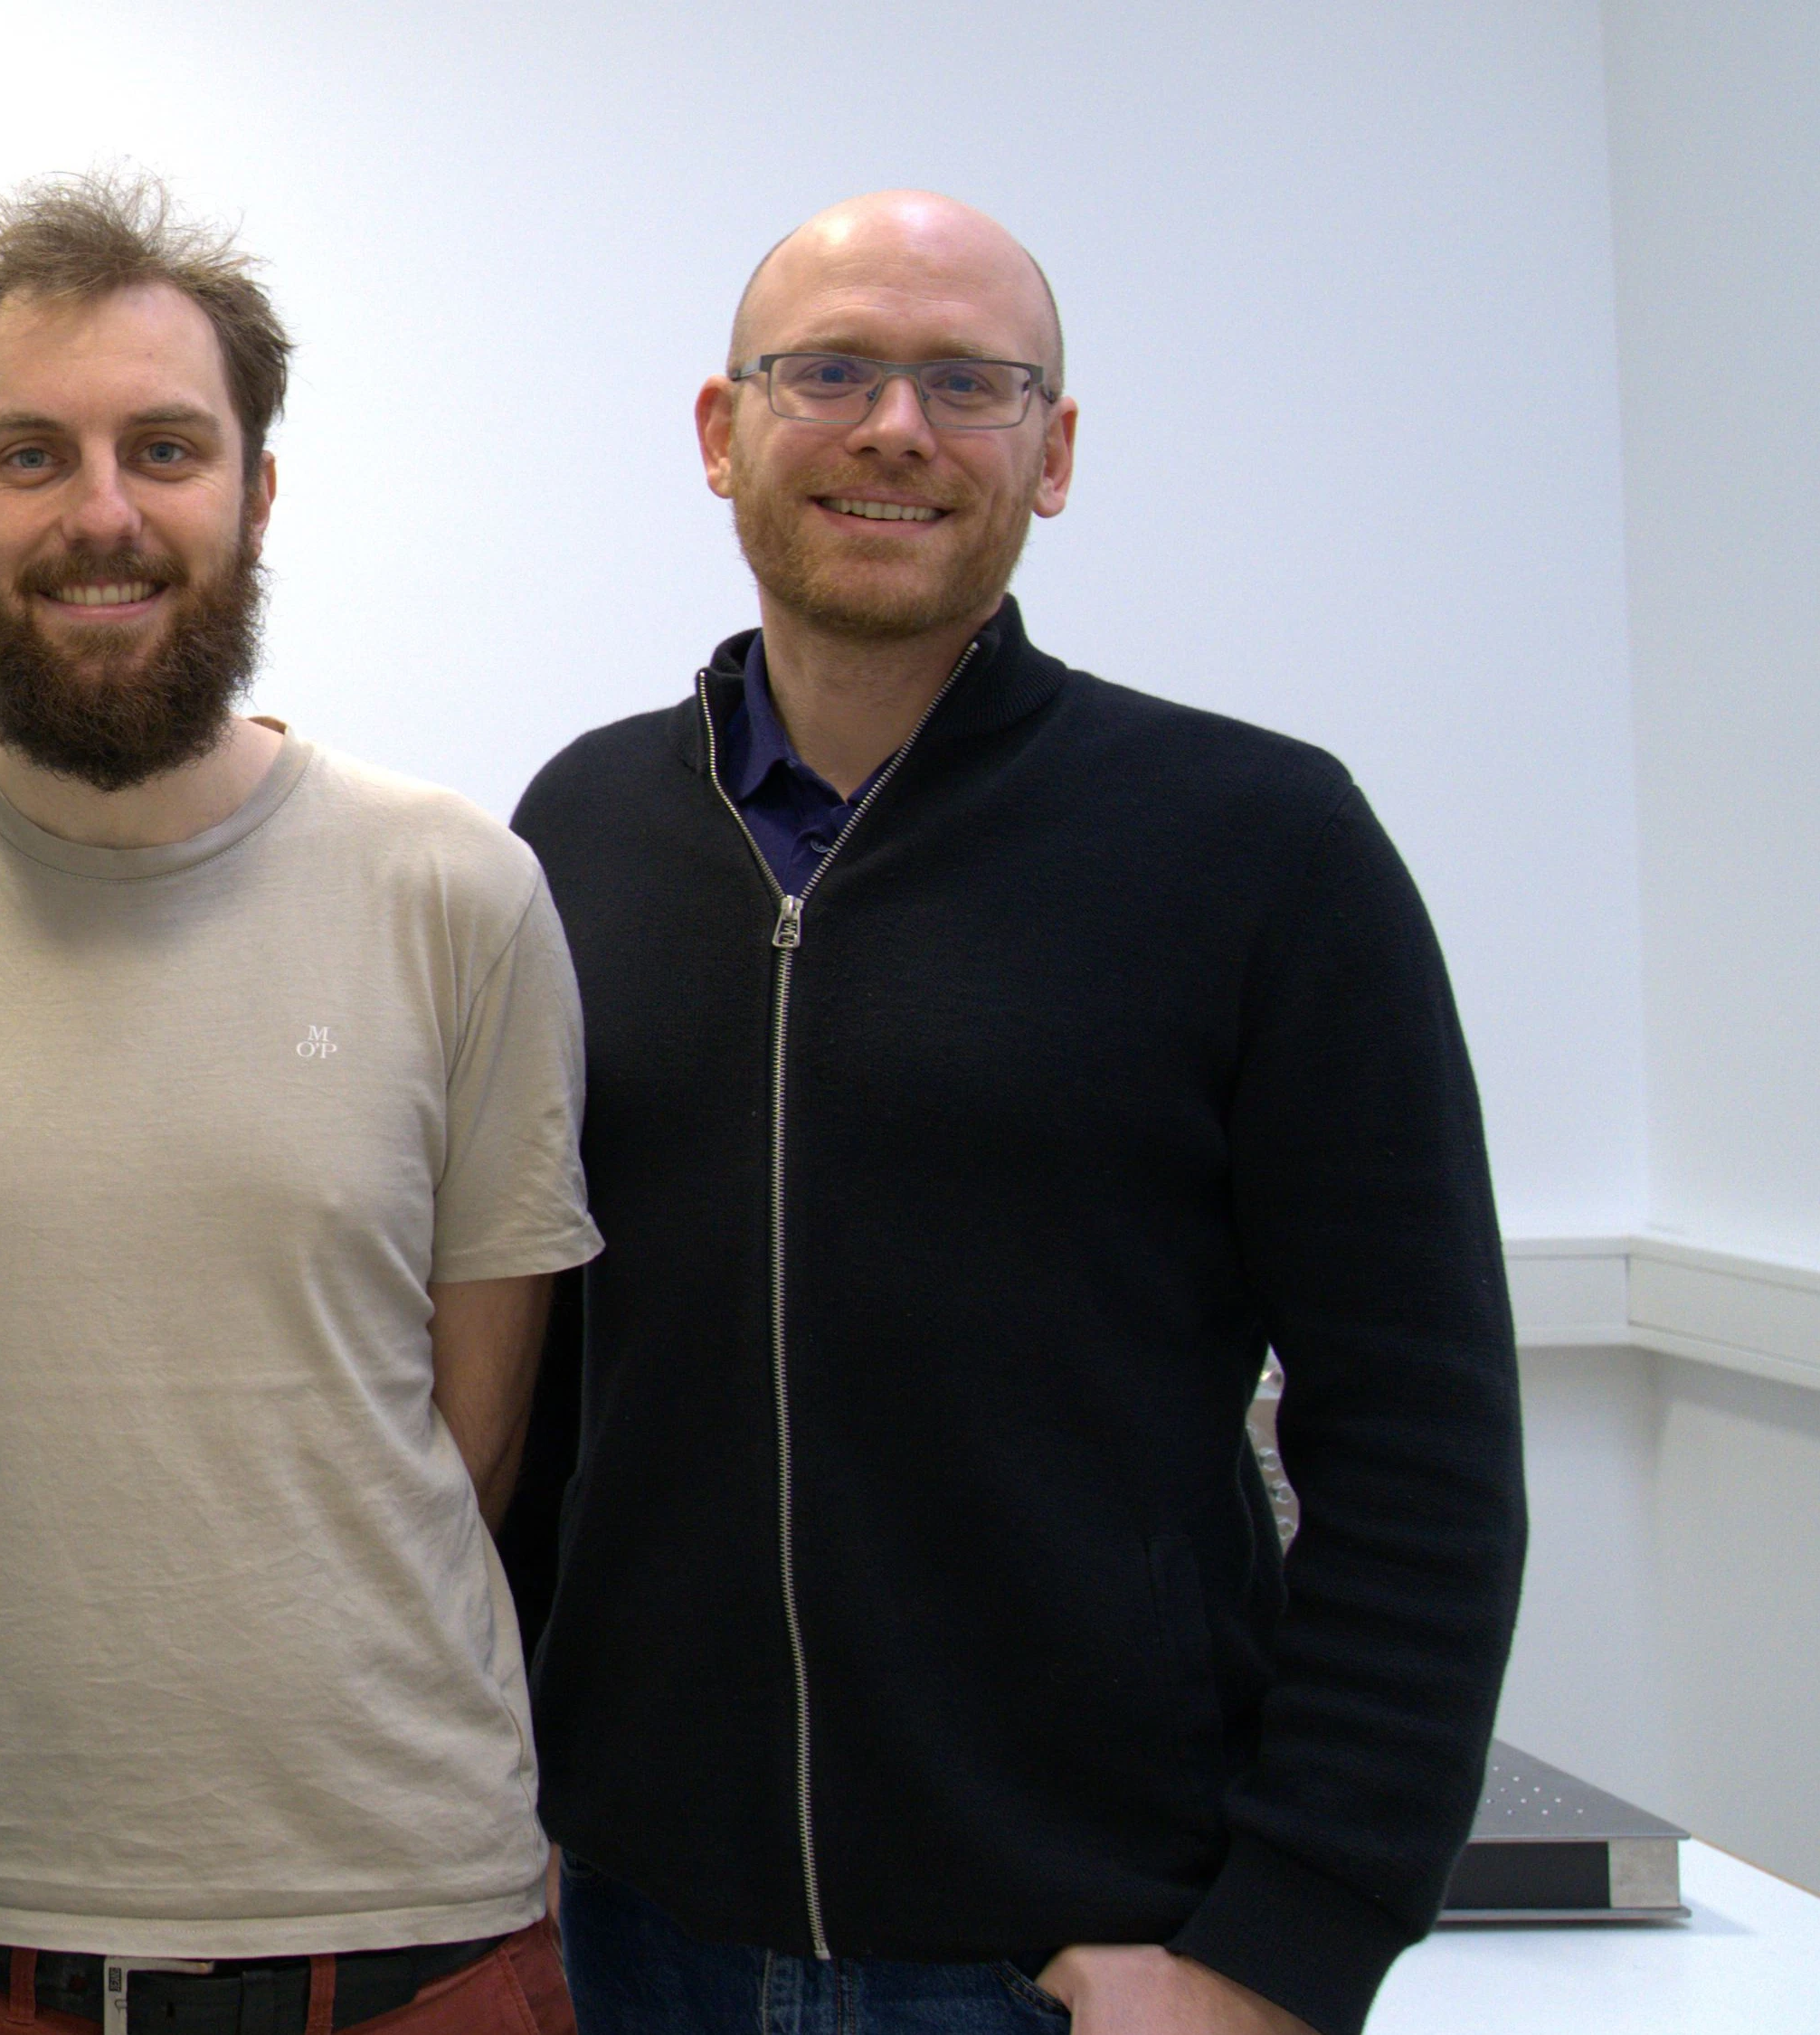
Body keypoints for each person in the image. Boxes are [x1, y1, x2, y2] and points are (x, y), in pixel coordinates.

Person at [507, 192, 1526, 2035]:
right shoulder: (568, 838)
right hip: (630, 1942)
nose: (893, 426)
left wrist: (1274, 1958)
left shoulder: (1257, 847)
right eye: (825, 369)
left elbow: (1422, 1449)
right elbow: (545, 1395)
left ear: (1049, 457)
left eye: (964, 383)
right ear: (718, 433)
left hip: (1066, 1969)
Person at [0, 171, 599, 2035]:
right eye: (30, 457)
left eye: (161, 449)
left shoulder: (458, 893)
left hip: (406, 1922)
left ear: (256, 490)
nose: (100, 513)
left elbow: (472, 1444)